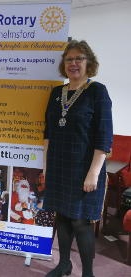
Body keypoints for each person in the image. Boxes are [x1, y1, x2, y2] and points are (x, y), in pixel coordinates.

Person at [43, 40, 113, 277]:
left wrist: (94, 173)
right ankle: (64, 264)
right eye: (69, 59)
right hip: (58, 167)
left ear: (88, 63)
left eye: (79, 59)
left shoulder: (97, 92)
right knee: (62, 217)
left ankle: (88, 273)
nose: (73, 63)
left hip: (85, 168)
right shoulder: (56, 93)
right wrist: (46, 168)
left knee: (81, 223)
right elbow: (48, 134)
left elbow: (104, 138)